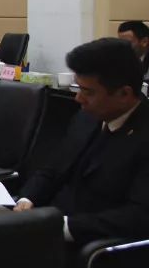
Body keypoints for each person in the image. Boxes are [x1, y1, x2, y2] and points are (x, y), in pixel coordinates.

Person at [15, 39, 149, 243]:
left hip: (95, 246)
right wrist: (28, 198)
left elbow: (138, 216)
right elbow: (54, 168)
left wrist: (64, 227)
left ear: (124, 94)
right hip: (49, 224)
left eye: (88, 92)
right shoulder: (87, 117)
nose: (78, 98)